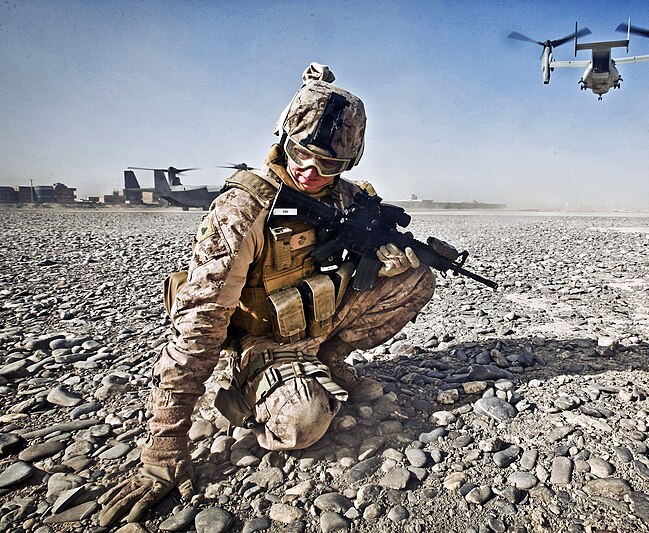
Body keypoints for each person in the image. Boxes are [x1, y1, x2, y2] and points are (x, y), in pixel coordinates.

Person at [98, 63, 436, 526]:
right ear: (282, 138)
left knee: (416, 279)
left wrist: (390, 261)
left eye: (330, 164)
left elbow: (364, 260)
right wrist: (165, 444)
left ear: (350, 162)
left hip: (317, 318)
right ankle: (246, 383)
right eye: (301, 153)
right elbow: (199, 322)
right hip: (260, 333)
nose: (312, 171)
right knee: (303, 425)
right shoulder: (246, 208)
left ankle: (327, 360)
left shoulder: (350, 198)